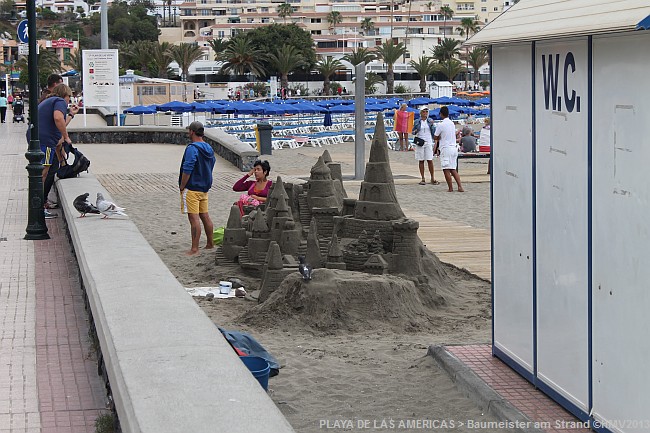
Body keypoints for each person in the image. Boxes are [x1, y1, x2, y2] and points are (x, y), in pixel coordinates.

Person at [38, 84, 79, 218]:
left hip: (40, 139)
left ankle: (38, 206)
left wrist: (71, 115)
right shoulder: (59, 101)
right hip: (46, 142)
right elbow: (58, 118)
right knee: (43, 173)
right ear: (65, 95)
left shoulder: (49, 101)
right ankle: (38, 209)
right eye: (69, 97)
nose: (68, 101)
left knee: (41, 173)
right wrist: (66, 137)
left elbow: (59, 123)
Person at [179, 121, 216, 256]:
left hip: (192, 188)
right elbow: (212, 163)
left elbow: (187, 168)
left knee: (194, 218)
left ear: (192, 132)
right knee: (205, 216)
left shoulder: (192, 148)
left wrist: (183, 185)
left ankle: (194, 248)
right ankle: (210, 243)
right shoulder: (208, 148)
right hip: (204, 188)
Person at [434, 106, 464, 192]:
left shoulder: (441, 124)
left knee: (446, 168)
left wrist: (439, 137)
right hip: (454, 147)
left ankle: (450, 187)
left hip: (446, 147)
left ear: (441, 114)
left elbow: (435, 136)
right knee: (453, 169)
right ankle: (459, 186)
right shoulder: (452, 123)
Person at [411, 108, 438, 186]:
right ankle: (423, 178)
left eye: (426, 111)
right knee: (421, 160)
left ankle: (432, 177)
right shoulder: (417, 121)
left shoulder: (430, 121)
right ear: (420, 112)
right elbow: (412, 131)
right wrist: (415, 131)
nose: (425, 113)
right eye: (424, 111)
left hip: (428, 141)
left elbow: (433, 131)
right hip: (420, 141)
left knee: (430, 159)